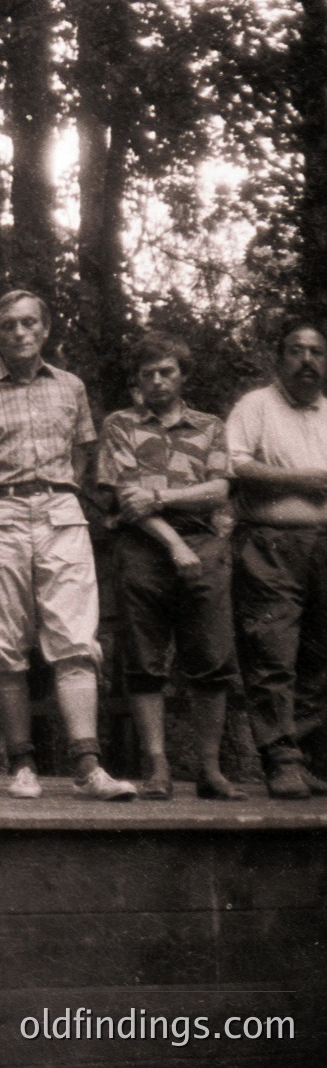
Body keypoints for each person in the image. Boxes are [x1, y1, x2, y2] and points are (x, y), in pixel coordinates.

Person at [0, 289, 137, 800]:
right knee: (4, 646)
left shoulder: (70, 387)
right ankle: (22, 766)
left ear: (45, 330)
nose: (20, 333)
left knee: (75, 640)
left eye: (30, 323)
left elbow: (81, 457)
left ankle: (89, 766)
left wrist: (52, 494)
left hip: (59, 513)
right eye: (8, 325)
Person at [96, 333, 246, 800]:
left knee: (211, 659)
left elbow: (219, 489)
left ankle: (209, 769)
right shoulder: (120, 424)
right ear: (137, 381)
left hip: (204, 544)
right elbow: (125, 497)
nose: (158, 381)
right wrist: (175, 543)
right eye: (148, 374)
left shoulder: (209, 426)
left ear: (182, 375)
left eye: (167, 372)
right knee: (144, 660)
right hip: (143, 548)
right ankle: (158, 767)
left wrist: (161, 495)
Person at [226, 321, 327, 799]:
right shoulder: (256, 406)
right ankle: (280, 759)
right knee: (272, 650)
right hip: (270, 543)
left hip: (323, 546)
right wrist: (303, 481)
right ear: (279, 357)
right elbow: (236, 466)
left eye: (317, 352)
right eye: (296, 351)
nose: (307, 360)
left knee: (318, 655)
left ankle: (304, 756)